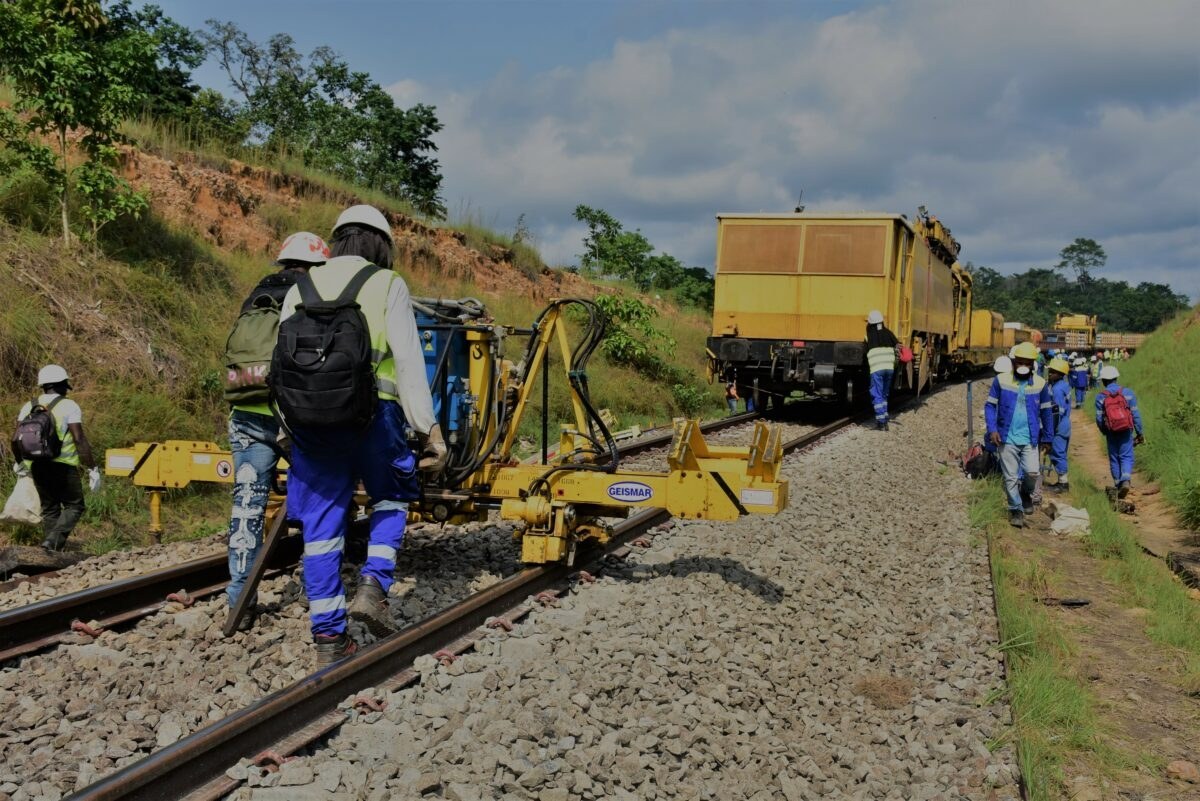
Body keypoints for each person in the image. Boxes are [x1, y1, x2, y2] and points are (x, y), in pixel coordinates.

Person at [279, 205, 448, 666]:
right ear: (379, 244)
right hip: (376, 419)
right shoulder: (386, 284)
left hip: (311, 425)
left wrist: (285, 430)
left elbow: (282, 369)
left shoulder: (300, 288)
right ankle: (373, 585)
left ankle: (329, 639)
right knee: (392, 494)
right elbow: (411, 366)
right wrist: (430, 431)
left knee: (320, 527)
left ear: (337, 240)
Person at [223, 232, 330, 630]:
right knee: (317, 498)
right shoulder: (311, 292)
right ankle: (312, 587)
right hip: (293, 414)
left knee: (248, 506)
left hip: (246, 409)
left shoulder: (256, 293)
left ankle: (239, 600)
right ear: (319, 265)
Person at [11, 365, 100, 550]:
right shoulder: (69, 405)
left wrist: (20, 463)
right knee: (75, 506)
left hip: (37, 465)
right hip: (63, 465)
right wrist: (92, 467)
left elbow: (15, 439)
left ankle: (51, 550)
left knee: (50, 509)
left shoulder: (28, 405)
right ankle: (52, 542)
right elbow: (79, 439)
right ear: (61, 384)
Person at [985, 342, 1054, 528]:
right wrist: (992, 429)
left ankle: (1026, 493)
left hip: (1031, 438)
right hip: (1006, 437)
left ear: (1033, 364)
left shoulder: (1040, 384)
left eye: (1027, 362)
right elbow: (990, 406)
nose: (1023, 366)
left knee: (1032, 472)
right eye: (1019, 362)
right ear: (1013, 362)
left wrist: (1048, 437)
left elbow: (1046, 412)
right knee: (1010, 477)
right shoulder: (1001, 381)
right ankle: (1015, 510)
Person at [1094, 365, 1144, 498]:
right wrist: (1140, 432)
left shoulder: (1100, 397)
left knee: (1114, 457)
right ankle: (1126, 481)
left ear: (1104, 381)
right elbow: (1135, 414)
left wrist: (1105, 431)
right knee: (1126, 456)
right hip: (1126, 430)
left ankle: (1117, 485)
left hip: (1111, 431)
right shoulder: (1128, 393)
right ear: (1116, 378)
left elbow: (1099, 418)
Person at [865, 310, 898, 431]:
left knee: (877, 395)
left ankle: (881, 423)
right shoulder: (889, 333)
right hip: (889, 368)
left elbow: (865, 351)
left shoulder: (868, 336)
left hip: (877, 369)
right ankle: (885, 417)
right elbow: (897, 344)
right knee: (884, 394)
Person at [1044, 357, 1073, 493]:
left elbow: (1057, 412)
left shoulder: (1056, 390)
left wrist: (1051, 430)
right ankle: (1062, 481)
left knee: (1057, 453)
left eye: (1053, 372)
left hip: (1058, 425)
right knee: (1060, 452)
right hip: (1065, 424)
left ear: (1061, 374)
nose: (1050, 374)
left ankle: (1063, 484)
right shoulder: (1063, 385)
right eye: (1050, 371)